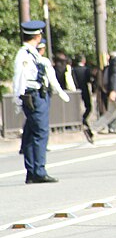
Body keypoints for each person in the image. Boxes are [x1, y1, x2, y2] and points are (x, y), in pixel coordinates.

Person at [12, 21, 68, 184]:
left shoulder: (32, 54)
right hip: (34, 96)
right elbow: (20, 78)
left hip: (38, 95)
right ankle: (38, 170)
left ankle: (32, 171)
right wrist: (18, 98)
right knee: (40, 133)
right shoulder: (24, 55)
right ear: (37, 36)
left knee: (31, 133)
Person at [72, 55, 94, 129]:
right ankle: (84, 118)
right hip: (85, 88)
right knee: (88, 106)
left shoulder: (73, 70)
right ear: (83, 61)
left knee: (76, 106)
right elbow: (89, 80)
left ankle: (76, 120)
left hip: (75, 90)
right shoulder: (86, 69)